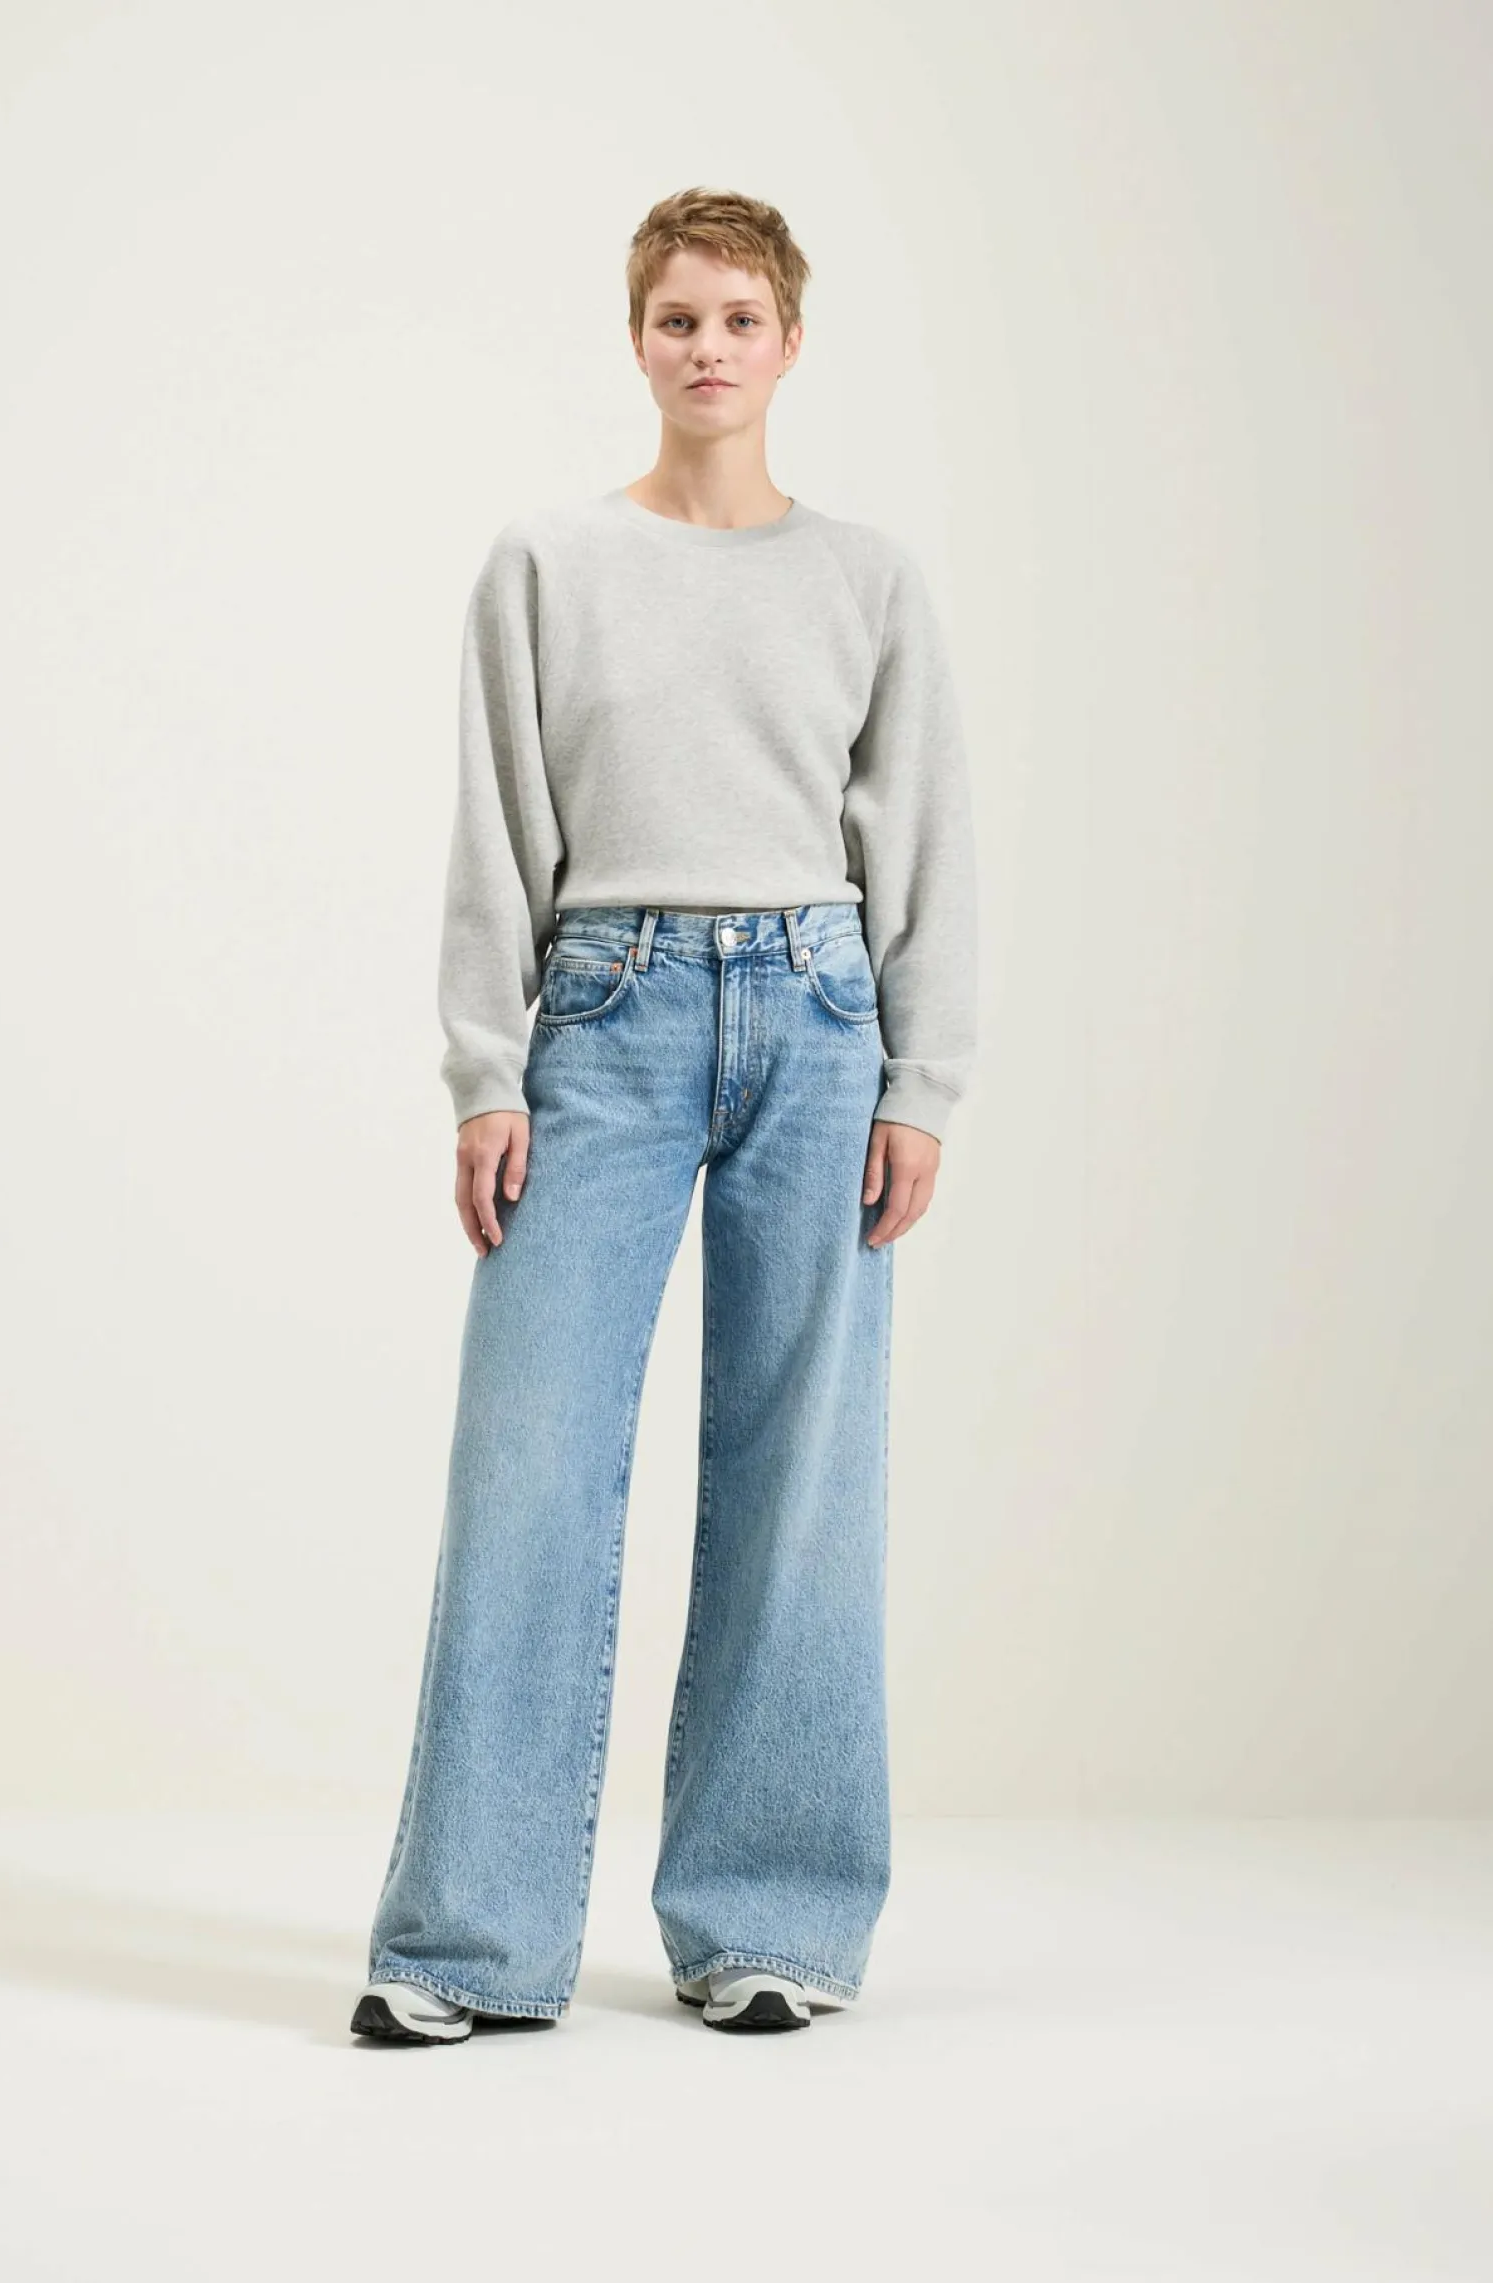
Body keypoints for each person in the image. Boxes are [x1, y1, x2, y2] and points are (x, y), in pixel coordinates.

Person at [351, 185, 978, 2044]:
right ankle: (468, 1941)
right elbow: (496, 827)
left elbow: (924, 836)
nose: (709, 347)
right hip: (607, 1012)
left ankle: (768, 1922)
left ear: (792, 342)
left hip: (820, 1012)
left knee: (803, 1473)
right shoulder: (546, 562)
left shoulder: (867, 579)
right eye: (678, 317)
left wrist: (923, 1082)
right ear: (636, 339)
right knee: (530, 1464)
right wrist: (485, 1069)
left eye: (740, 318)